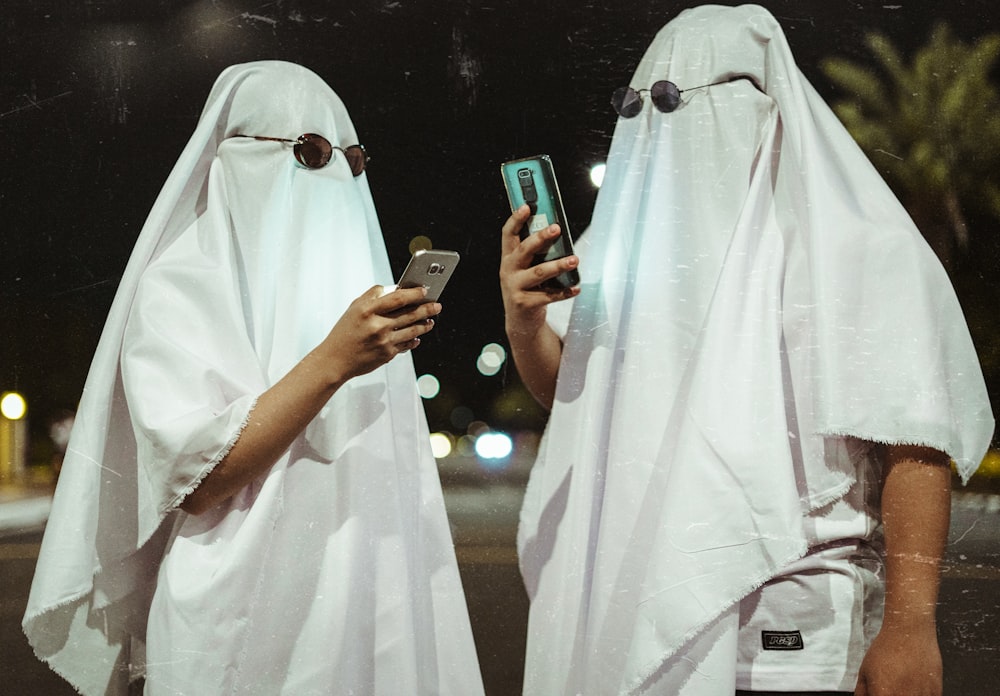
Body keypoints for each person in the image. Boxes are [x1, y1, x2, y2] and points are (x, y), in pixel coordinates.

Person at [499, 5, 994, 695]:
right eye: (638, 105)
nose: (658, 123)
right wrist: (524, 322)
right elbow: (569, 396)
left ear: (767, 103)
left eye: (675, 104)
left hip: (798, 626)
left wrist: (910, 627)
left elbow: (913, 441)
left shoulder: (855, 246)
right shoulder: (626, 252)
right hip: (639, 610)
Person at [23, 60, 485, 696]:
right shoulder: (177, 287)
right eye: (309, 152)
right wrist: (334, 361)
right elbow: (196, 481)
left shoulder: (347, 292)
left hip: (368, 600)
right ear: (232, 155)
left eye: (351, 161)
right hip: (238, 620)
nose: (333, 177)